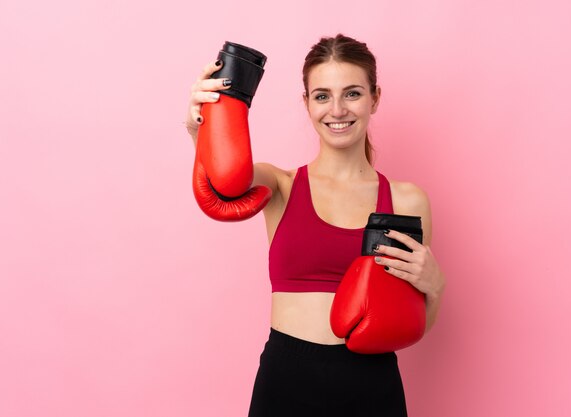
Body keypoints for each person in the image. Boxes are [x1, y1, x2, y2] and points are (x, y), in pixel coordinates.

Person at [185, 34, 446, 417]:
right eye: (322, 96)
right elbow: (224, 181)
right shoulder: (280, 185)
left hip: (372, 386)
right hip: (286, 381)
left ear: (375, 98)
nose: (337, 109)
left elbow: (413, 323)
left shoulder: (408, 200)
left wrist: (435, 285)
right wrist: (203, 123)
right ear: (306, 104)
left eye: (352, 94)